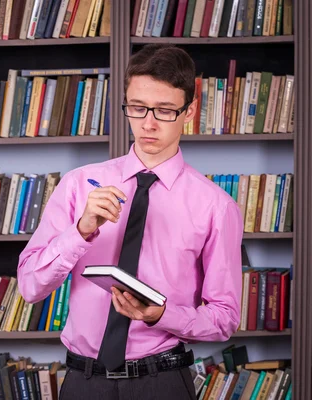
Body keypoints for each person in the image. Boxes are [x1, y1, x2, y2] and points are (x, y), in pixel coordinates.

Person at [16, 44, 244, 400]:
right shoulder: (78, 185)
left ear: (190, 111)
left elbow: (224, 319)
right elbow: (31, 287)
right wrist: (81, 230)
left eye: (166, 111)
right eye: (137, 108)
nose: (148, 124)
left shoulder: (216, 206)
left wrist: (161, 315)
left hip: (163, 381)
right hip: (83, 381)